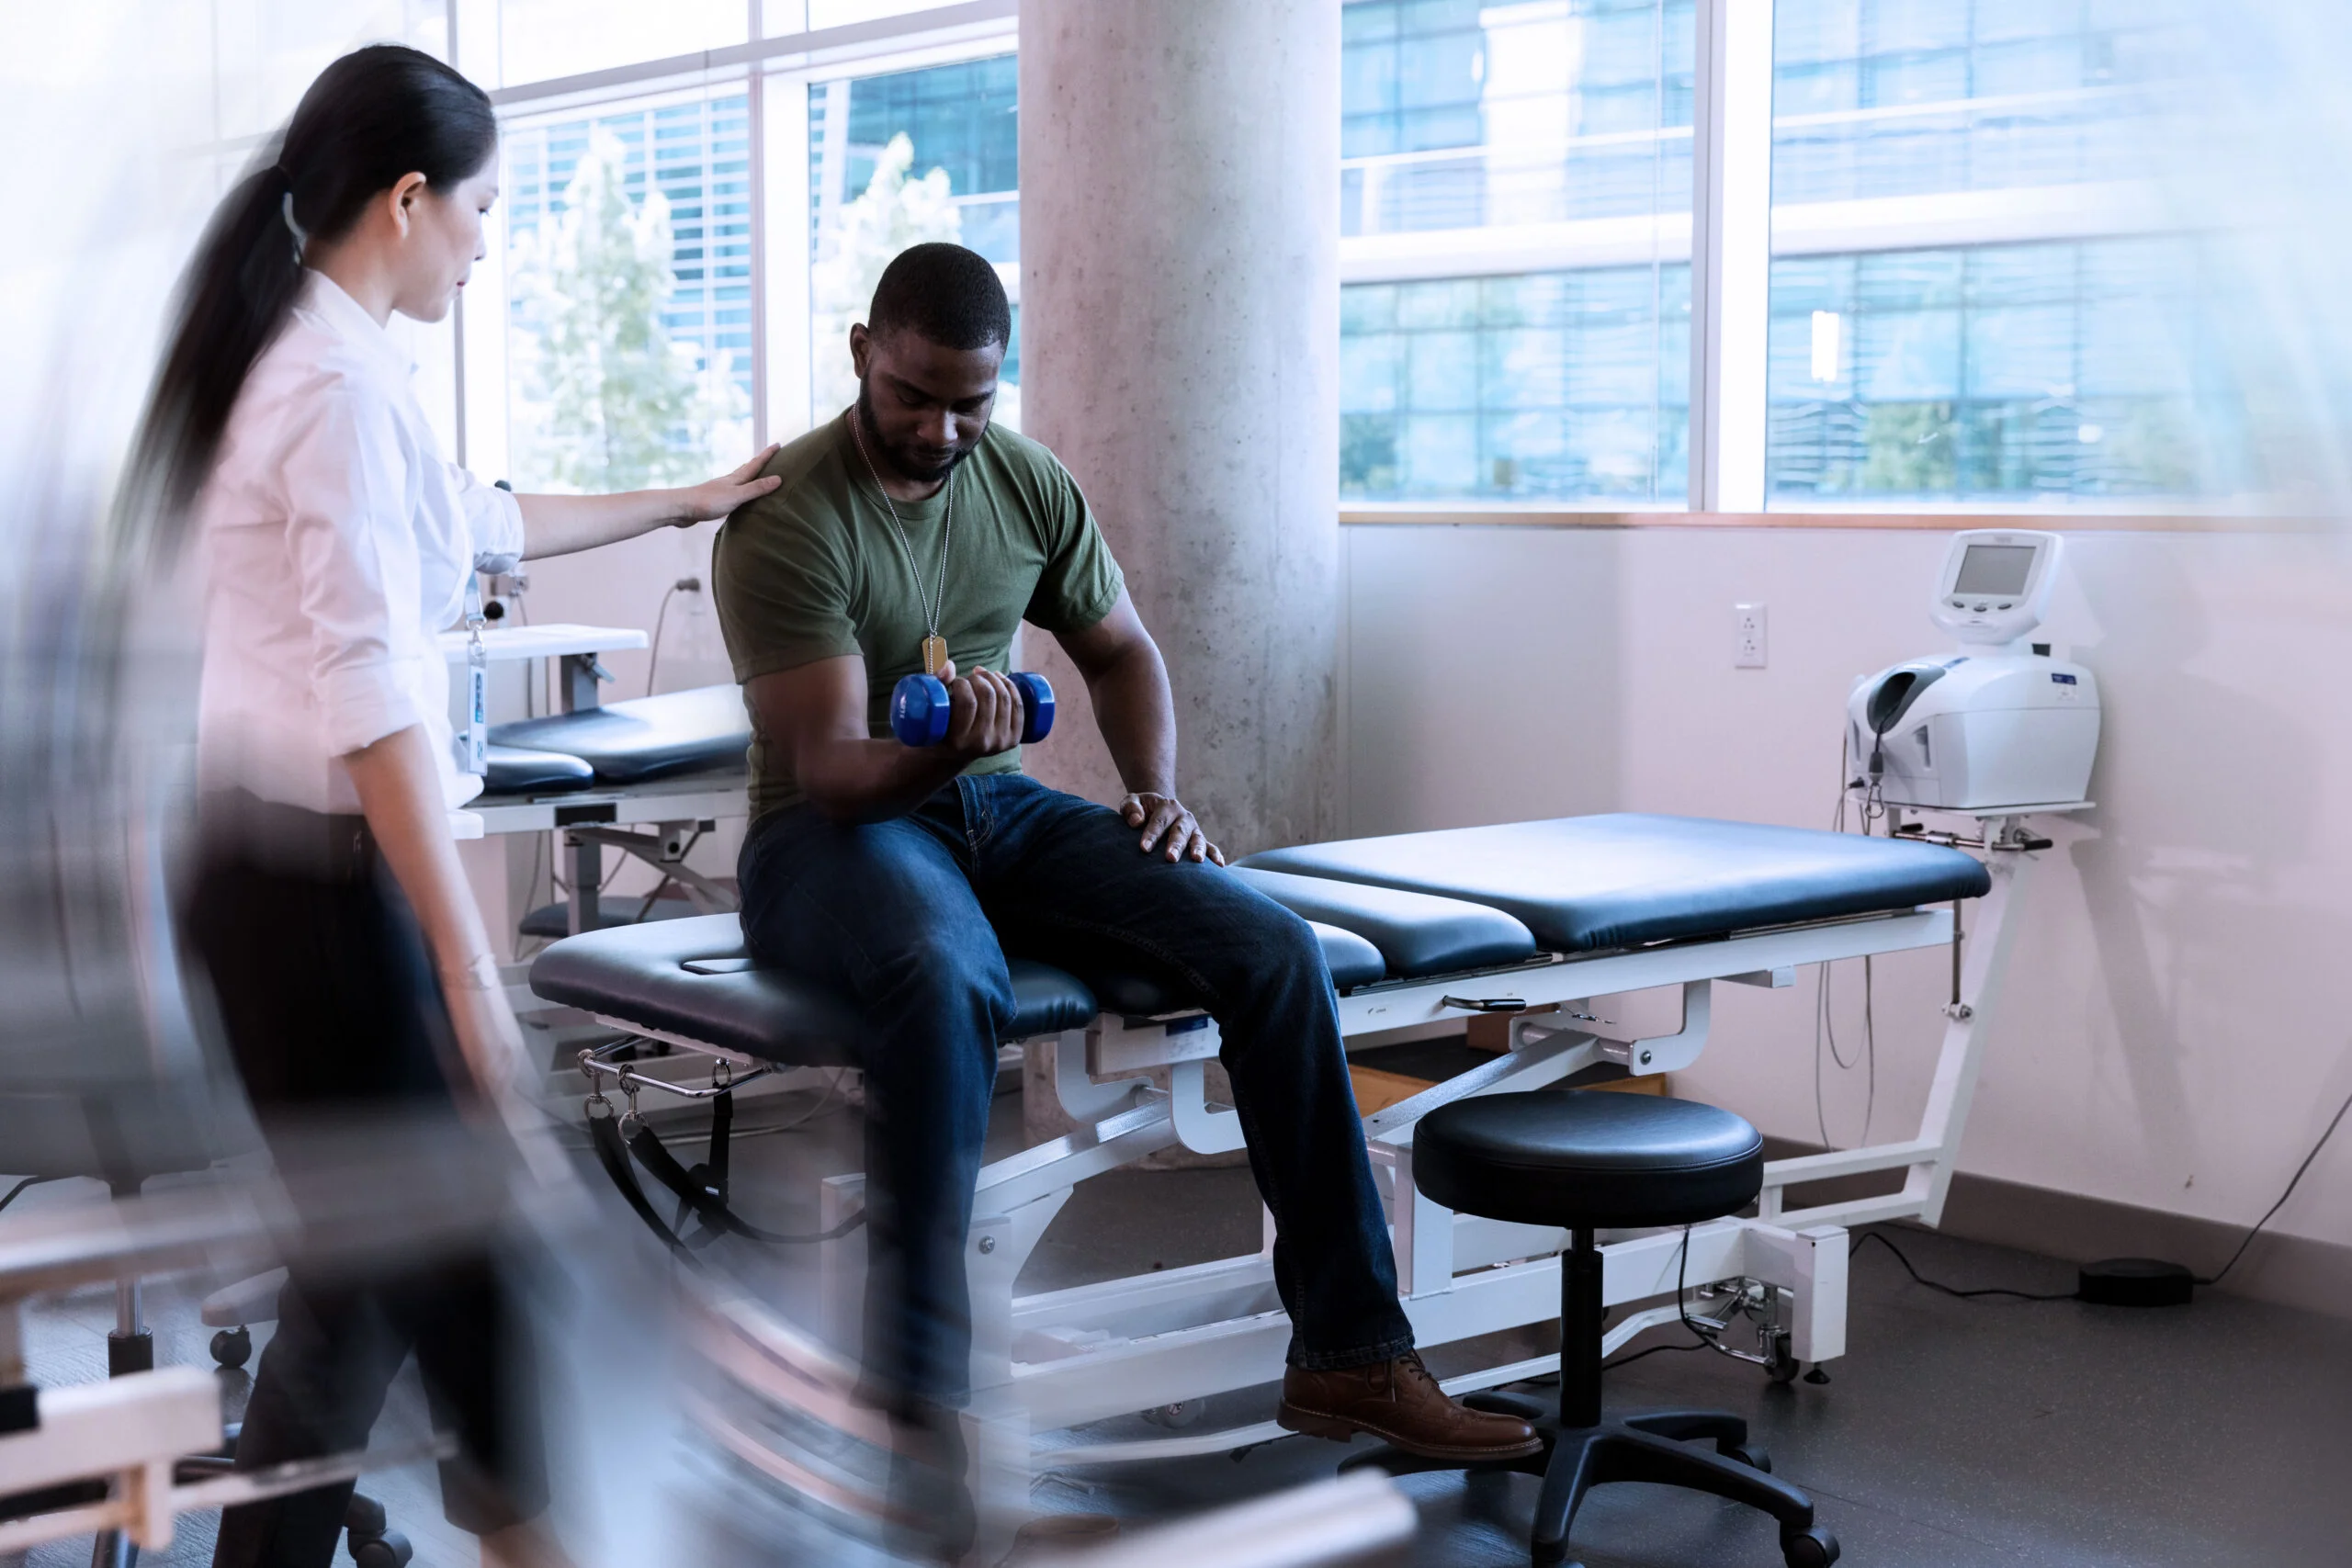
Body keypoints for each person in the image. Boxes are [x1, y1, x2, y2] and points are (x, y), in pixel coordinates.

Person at [712, 243, 1539, 1529]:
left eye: (970, 403)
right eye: (914, 394)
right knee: (944, 977)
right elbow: (827, 770)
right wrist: (943, 745)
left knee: (1272, 945)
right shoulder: (791, 511)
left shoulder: (1024, 479)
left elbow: (1121, 647)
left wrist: (1154, 786)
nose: (941, 428)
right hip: (825, 837)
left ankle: (1352, 1355)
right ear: (863, 348)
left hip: (988, 803)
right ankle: (915, 1418)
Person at [129, 45, 784, 1568]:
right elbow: (372, 700)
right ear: (409, 200)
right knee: (459, 1283)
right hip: (308, 893)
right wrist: (462, 963)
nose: (487, 249)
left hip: (263, 878)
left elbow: (479, 522)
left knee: (364, 1286)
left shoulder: (313, 356)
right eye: (481, 213)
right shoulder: (335, 388)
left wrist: (693, 495)